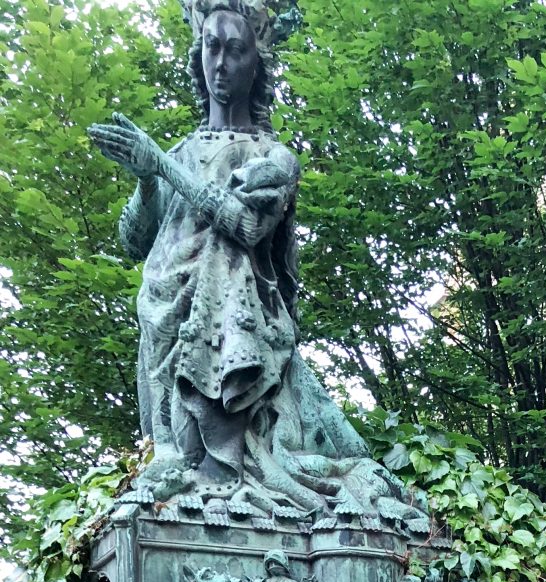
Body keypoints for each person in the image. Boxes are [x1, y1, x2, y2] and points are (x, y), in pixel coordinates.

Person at [87, 0, 425, 522]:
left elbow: (246, 227)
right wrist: (146, 175)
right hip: (162, 308)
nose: (220, 63)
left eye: (235, 51)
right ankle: (176, 460)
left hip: (237, 315)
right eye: (211, 48)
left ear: (256, 63)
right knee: (170, 445)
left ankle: (222, 468)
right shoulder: (177, 151)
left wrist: (161, 164)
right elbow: (136, 241)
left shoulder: (274, 157)